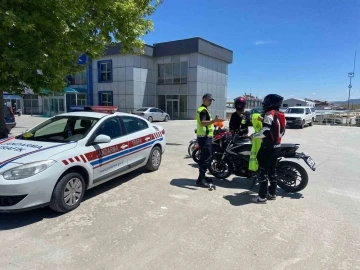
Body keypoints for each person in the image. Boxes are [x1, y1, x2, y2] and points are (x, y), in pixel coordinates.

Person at [249, 94, 286, 203]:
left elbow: (265, 132)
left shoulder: (269, 114)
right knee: (272, 170)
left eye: (266, 102)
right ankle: (272, 193)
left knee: (263, 172)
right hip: (277, 147)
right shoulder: (281, 115)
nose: (264, 104)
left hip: (267, 148)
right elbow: (281, 131)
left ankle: (262, 197)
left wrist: (253, 136)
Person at [196, 93, 224, 188]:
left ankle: (202, 176)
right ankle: (200, 180)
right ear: (204, 99)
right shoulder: (203, 110)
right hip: (204, 137)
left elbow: (205, 124)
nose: (210, 101)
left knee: (206, 157)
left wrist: (214, 124)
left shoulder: (204, 109)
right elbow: (203, 123)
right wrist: (214, 121)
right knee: (206, 158)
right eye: (209, 100)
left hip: (205, 136)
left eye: (211, 100)